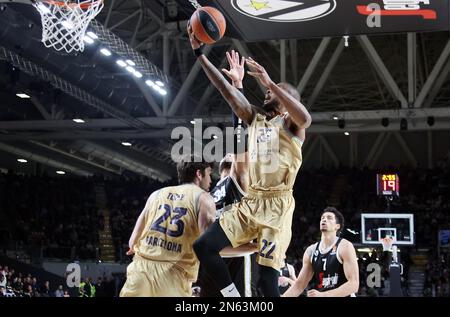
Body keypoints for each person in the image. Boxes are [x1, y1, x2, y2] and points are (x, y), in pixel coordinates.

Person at [188, 27, 312, 297]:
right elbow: (224, 90)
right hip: (252, 201)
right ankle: (233, 298)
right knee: (204, 246)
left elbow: (305, 118)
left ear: (285, 99)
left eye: (276, 93)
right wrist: (199, 54)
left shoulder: (292, 125)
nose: (267, 94)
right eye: (268, 91)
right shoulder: (255, 118)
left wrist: (270, 84)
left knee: (267, 284)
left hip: (278, 208)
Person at [119, 155, 256, 297]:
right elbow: (211, 249)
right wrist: (253, 248)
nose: (210, 180)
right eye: (209, 174)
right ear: (199, 174)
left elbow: (132, 241)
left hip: (140, 272)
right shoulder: (203, 198)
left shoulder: (156, 194)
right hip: (173, 274)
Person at [283, 207, 359, 297]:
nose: (324, 219)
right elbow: (299, 285)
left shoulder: (345, 246)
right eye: (322, 218)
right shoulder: (311, 251)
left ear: (337, 226)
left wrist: (324, 295)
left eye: (329, 218)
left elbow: (354, 284)